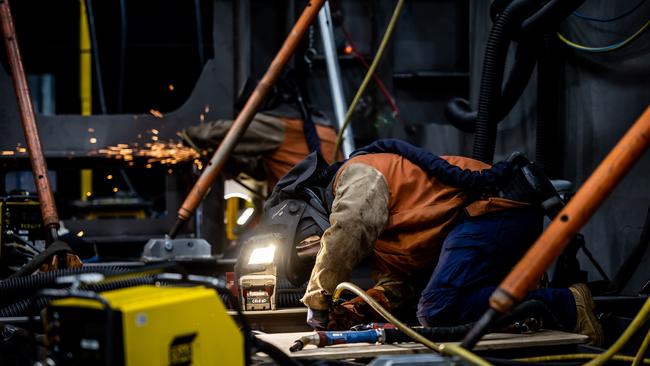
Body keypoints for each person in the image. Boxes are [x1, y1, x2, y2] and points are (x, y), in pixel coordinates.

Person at [259, 139, 603, 345]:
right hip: (479, 224)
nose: (316, 244)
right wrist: (355, 310)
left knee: (437, 308)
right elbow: (401, 281)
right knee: (436, 303)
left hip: (493, 210)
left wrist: (318, 299)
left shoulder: (355, 174)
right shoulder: (380, 239)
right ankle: (543, 309)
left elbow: (348, 227)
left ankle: (567, 304)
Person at [180, 74, 341, 189]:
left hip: (313, 203)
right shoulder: (310, 123)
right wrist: (225, 160)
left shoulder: (278, 125)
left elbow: (225, 132)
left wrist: (186, 134)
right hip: (327, 200)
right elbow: (261, 171)